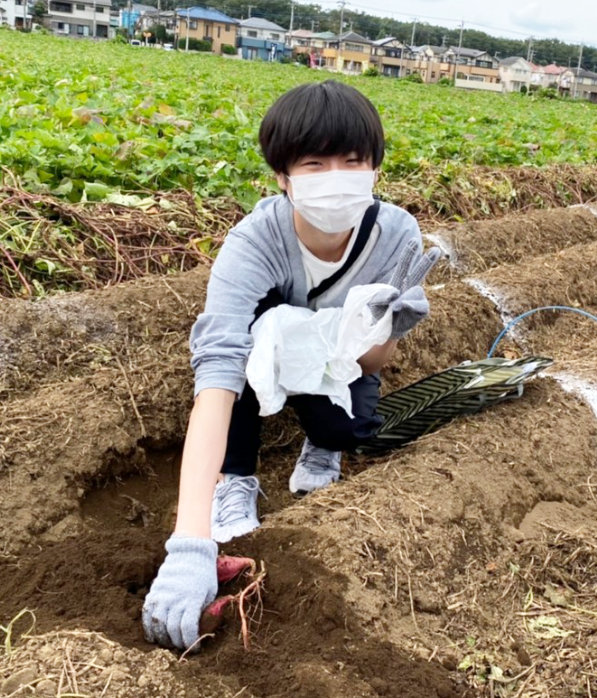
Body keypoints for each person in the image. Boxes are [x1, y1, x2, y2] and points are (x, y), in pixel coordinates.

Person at [142, 80, 440, 650]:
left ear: (375, 167)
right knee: (253, 344)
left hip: (337, 356)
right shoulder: (257, 241)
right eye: (313, 163)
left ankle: (321, 442)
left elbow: (375, 360)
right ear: (282, 175)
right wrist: (190, 544)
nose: (336, 177)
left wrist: (384, 327)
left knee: (348, 430)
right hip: (265, 353)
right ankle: (236, 479)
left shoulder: (396, 233)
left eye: (352, 161)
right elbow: (218, 375)